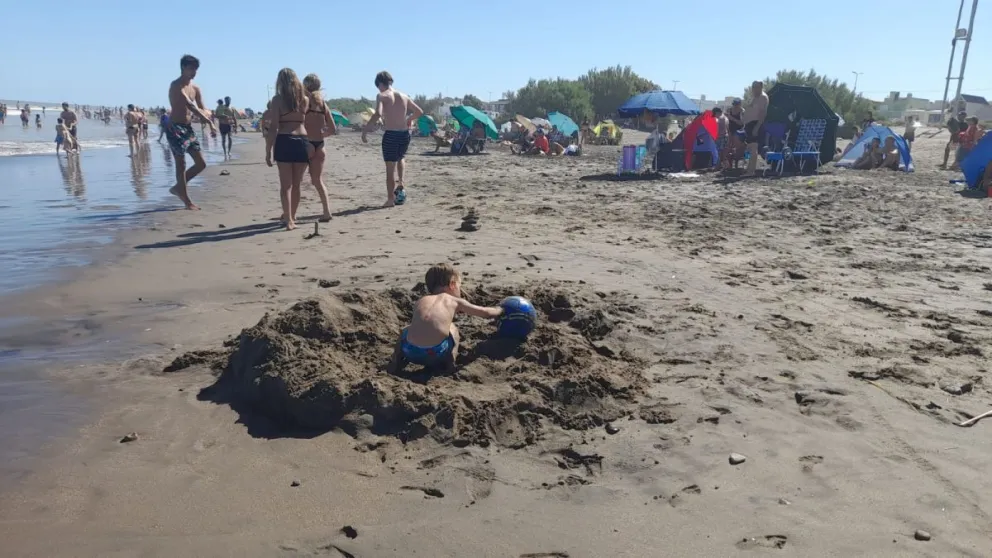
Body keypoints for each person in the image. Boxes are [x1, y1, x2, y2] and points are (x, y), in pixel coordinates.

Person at [387, 264, 503, 375]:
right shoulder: (454, 301)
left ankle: (396, 361)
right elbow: (485, 313)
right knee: (452, 328)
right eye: (459, 286)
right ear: (452, 284)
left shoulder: (422, 300)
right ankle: (450, 364)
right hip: (436, 353)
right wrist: (500, 310)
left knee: (406, 329)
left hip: (410, 352)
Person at [361, 71, 423, 207]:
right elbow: (419, 111)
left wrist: (366, 129)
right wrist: (408, 119)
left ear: (380, 84)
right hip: (405, 134)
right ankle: (401, 183)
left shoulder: (382, 95)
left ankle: (390, 199)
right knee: (401, 157)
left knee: (390, 167)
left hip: (391, 134)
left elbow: (378, 113)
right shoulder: (404, 96)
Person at [165, 54, 216, 210]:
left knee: (201, 163)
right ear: (183, 68)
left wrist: (207, 114)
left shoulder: (195, 88)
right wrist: (209, 122)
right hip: (174, 128)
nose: (193, 72)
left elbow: (201, 107)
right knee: (181, 164)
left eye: (195, 69)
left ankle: (178, 187)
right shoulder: (176, 85)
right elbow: (190, 106)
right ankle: (186, 199)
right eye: (190, 68)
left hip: (187, 128)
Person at [266, 67, 312, 231]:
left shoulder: (277, 100)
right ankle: (293, 216)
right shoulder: (305, 99)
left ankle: (289, 219)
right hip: (301, 140)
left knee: (286, 185)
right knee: (297, 184)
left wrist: (268, 150)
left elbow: (273, 127)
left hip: (284, 139)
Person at [302, 73, 335, 222]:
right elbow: (332, 129)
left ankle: (289, 213)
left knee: (295, 180)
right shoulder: (323, 104)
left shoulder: (304, 102)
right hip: (319, 145)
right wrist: (322, 135)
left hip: (306, 143)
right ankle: (327, 211)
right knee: (318, 181)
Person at [742, 81, 768, 177]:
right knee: (749, 147)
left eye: (756, 87)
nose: (754, 89)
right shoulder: (755, 97)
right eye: (753, 87)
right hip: (750, 124)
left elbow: (762, 114)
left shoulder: (762, 98)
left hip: (756, 124)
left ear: (761, 87)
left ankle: (751, 171)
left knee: (753, 148)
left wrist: (756, 127)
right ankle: (749, 169)